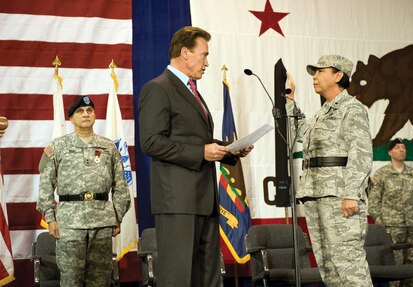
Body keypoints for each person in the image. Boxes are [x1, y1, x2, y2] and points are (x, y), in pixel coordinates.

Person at [138, 26, 252, 287]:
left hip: (204, 200)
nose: (208, 63)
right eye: (204, 55)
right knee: (180, 277)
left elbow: (193, 139)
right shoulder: (158, 88)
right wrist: (201, 152)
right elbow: (152, 142)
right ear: (185, 53)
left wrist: (229, 151)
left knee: (208, 275)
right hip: (177, 201)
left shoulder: (192, 89)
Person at [286, 55, 373, 286]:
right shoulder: (322, 112)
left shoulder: (352, 109)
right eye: (313, 72)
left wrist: (351, 193)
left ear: (338, 75)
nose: (314, 77)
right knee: (328, 264)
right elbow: (300, 134)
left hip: (339, 195)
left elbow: (361, 153)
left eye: (320, 71)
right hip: (315, 193)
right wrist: (290, 102)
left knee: (349, 264)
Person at [37, 96, 131, 287]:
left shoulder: (109, 147)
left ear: (95, 115)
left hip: (102, 223)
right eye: (80, 111)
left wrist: (117, 216)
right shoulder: (58, 146)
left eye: (89, 110)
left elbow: (121, 185)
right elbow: (45, 184)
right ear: (71, 119)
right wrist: (50, 218)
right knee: (71, 280)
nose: (86, 114)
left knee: (100, 280)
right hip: (70, 223)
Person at [368, 138, 413, 287]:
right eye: (397, 148)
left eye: (403, 148)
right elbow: (374, 201)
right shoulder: (382, 174)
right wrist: (381, 221)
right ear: (389, 152)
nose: (401, 150)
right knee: (394, 263)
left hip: (412, 225)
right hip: (391, 226)